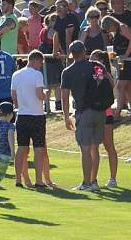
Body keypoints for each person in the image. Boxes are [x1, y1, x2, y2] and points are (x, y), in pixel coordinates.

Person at [61, 41, 110, 192]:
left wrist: (66, 116)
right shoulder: (96, 66)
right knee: (95, 149)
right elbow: (107, 84)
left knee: (86, 150)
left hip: (83, 112)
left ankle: (87, 182)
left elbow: (64, 96)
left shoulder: (68, 71)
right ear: (85, 51)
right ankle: (93, 181)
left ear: (71, 53)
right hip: (100, 111)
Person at [11, 50, 52, 188]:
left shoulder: (16, 74)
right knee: (38, 149)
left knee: (21, 148)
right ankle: (39, 180)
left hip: (22, 115)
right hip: (36, 115)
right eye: (40, 63)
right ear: (35, 60)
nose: (40, 66)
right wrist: (46, 93)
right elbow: (39, 95)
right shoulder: (37, 74)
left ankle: (18, 179)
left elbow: (14, 96)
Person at [89, 50, 118, 188]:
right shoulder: (97, 71)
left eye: (93, 58)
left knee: (108, 145)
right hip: (96, 113)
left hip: (106, 113)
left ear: (99, 59)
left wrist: (103, 73)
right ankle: (92, 179)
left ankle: (112, 178)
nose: (90, 60)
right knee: (93, 147)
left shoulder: (103, 72)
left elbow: (112, 86)